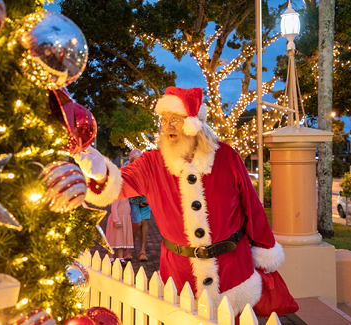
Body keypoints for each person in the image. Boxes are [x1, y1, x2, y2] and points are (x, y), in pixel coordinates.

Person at [75, 87, 298, 318]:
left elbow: (252, 208)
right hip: (179, 273)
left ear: (194, 123)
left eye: (174, 119)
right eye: (163, 119)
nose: (166, 126)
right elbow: (118, 183)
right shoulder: (151, 163)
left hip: (233, 269)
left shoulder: (226, 156)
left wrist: (265, 253)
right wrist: (101, 172)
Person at [125, 149, 152, 262]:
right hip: (133, 200)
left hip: (145, 199)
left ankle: (143, 251)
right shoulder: (127, 169)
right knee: (136, 224)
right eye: (134, 161)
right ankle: (128, 250)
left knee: (144, 223)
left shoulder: (146, 168)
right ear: (131, 161)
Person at [106, 197, 134, 265]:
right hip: (118, 220)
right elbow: (114, 208)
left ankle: (120, 257)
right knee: (113, 239)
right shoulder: (118, 195)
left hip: (124, 220)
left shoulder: (126, 196)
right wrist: (116, 220)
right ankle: (110, 257)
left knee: (121, 239)